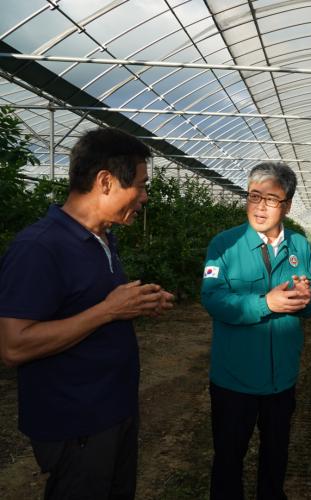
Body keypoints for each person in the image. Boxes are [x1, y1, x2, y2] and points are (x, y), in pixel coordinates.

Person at [0, 127, 174, 500]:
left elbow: (90, 307)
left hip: (113, 412)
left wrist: (134, 306)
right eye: (141, 185)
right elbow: (14, 346)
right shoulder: (40, 247)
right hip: (76, 425)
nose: (144, 197)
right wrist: (109, 310)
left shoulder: (103, 239)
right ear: (106, 182)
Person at [201, 161, 311, 500]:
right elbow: (212, 298)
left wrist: (307, 298)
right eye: (254, 196)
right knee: (228, 458)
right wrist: (265, 304)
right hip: (234, 379)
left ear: (287, 205)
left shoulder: (299, 246)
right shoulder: (224, 245)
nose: (260, 206)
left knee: (276, 455)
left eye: (272, 198)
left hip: (281, 378)